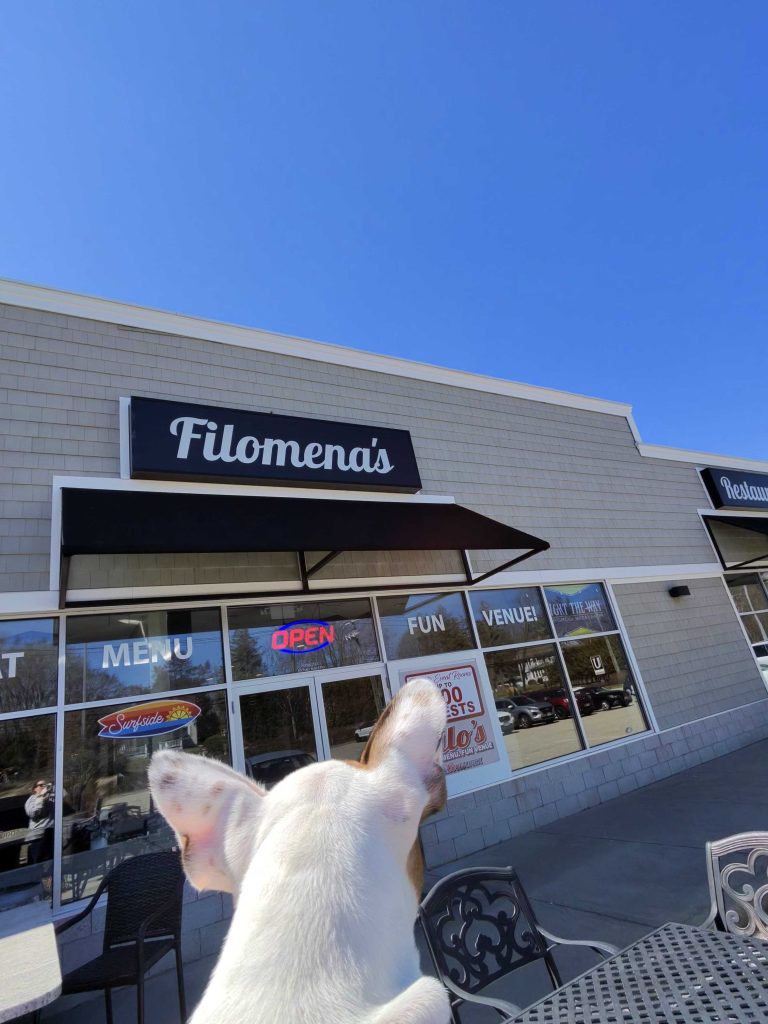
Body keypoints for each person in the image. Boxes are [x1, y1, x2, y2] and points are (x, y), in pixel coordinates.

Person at [25, 780, 54, 866]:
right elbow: (33, 813)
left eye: (45, 785)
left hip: (52, 830)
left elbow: (64, 796)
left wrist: (54, 788)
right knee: (38, 860)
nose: (44, 786)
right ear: (35, 789)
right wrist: (41, 798)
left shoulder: (51, 797)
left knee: (52, 859)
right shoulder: (31, 800)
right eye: (41, 785)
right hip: (38, 833)